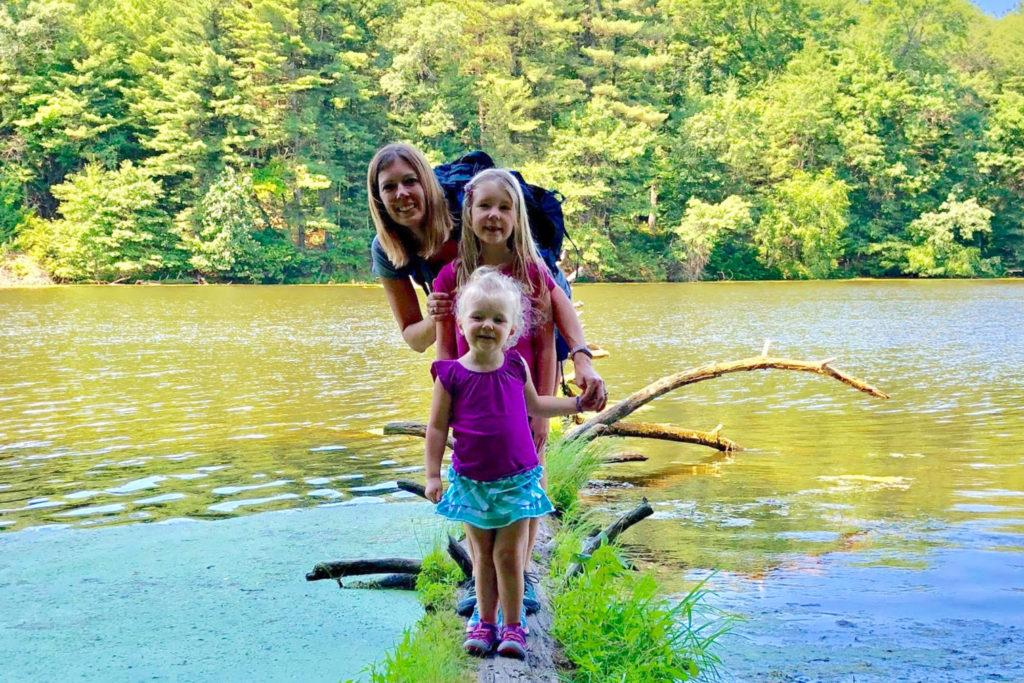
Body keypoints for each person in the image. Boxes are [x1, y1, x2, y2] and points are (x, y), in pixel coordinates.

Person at [367, 143, 608, 410]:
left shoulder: (471, 214)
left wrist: (580, 357)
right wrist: (438, 316)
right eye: (389, 187)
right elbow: (415, 339)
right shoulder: (386, 248)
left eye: (410, 181)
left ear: (426, 183)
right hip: (480, 321)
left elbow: (546, 304)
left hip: (533, 306)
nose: (402, 194)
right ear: (378, 196)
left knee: (529, 414)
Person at [424, 267, 587, 659]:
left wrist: (577, 404)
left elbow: (536, 405)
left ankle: (513, 625)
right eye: (478, 316)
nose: (487, 325)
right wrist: (432, 475)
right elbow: (435, 428)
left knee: (507, 557)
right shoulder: (451, 375)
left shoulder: (516, 366)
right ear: (461, 322)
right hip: (472, 482)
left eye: (498, 319)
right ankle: (484, 619)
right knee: (481, 557)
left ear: (512, 329)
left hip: (516, 481)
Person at [433, 168, 556, 623]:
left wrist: (542, 409)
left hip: (521, 392)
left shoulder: (532, 273)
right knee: (474, 489)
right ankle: (480, 585)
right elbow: (445, 353)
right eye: (485, 206)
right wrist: (450, 412)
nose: (494, 215)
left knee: (529, 481)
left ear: (517, 216)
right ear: (468, 212)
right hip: (474, 406)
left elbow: (545, 344)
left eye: (505, 207)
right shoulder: (450, 276)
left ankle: (521, 579)